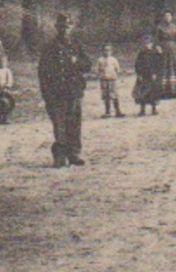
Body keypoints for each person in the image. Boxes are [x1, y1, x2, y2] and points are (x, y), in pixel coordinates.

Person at [38, 14, 92, 167]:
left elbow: (88, 64)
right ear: (57, 27)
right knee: (59, 124)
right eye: (62, 26)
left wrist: (77, 62)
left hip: (73, 91)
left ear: (72, 27)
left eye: (68, 26)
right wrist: (46, 94)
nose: (65, 30)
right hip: (56, 93)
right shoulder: (49, 47)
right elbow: (43, 71)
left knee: (74, 123)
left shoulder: (76, 45)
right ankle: (59, 156)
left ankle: (74, 154)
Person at [133, 36, 164, 116]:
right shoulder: (141, 54)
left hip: (152, 76)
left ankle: (154, 109)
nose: (147, 45)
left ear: (152, 44)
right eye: (145, 43)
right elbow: (137, 65)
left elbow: (159, 64)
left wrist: (156, 74)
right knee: (142, 93)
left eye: (149, 43)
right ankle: (142, 110)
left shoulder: (155, 54)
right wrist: (139, 74)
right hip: (143, 76)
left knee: (153, 93)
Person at [97, 44, 125, 118]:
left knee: (114, 95)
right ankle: (107, 112)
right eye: (105, 50)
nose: (106, 52)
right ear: (102, 51)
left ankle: (118, 111)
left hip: (112, 79)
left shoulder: (113, 60)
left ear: (111, 51)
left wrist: (118, 76)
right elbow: (98, 70)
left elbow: (117, 69)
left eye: (108, 50)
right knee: (106, 96)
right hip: (104, 79)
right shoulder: (100, 60)